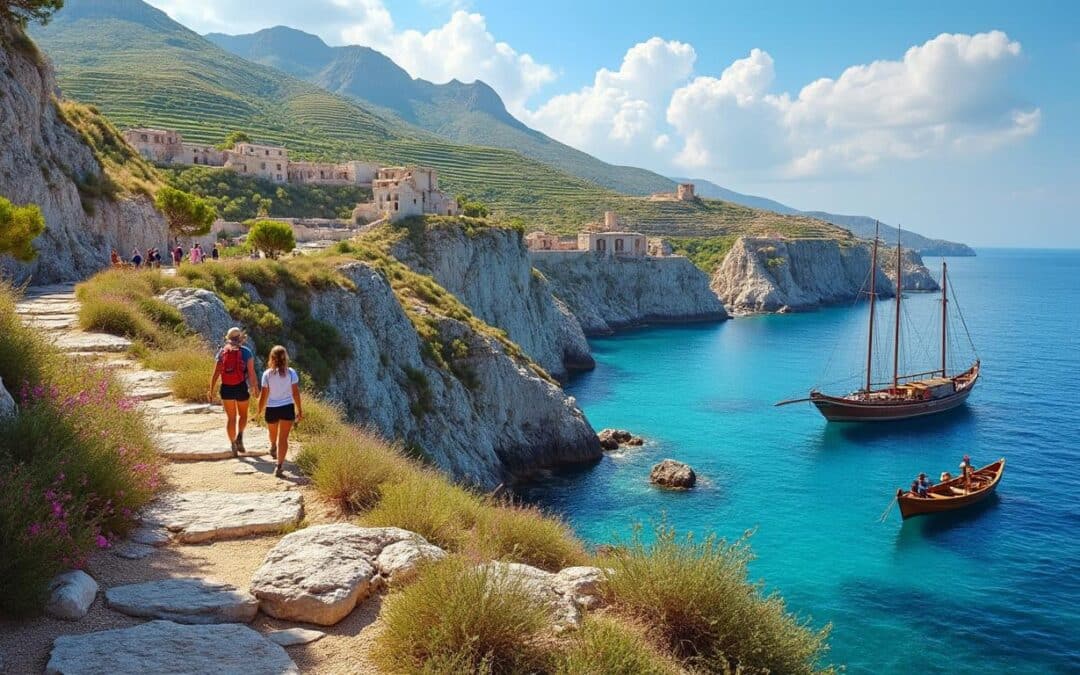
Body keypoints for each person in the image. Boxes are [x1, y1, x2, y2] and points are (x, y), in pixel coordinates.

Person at [209, 328, 260, 456]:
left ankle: (232, 444)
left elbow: (216, 373)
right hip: (241, 387)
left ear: (228, 338)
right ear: (241, 338)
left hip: (226, 388)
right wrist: (255, 388)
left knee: (231, 418)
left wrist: (211, 389)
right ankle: (240, 436)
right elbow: (252, 373)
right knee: (243, 415)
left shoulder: (222, 352)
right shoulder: (246, 352)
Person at [257, 345, 302, 479]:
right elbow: (295, 393)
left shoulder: (267, 374)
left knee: (272, 433)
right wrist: (300, 409)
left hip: (272, 408)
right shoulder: (291, 373)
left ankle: (272, 446)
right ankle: (280, 465)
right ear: (285, 357)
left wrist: (259, 411)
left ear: (271, 358)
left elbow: (263, 395)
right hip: (287, 407)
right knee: (283, 438)